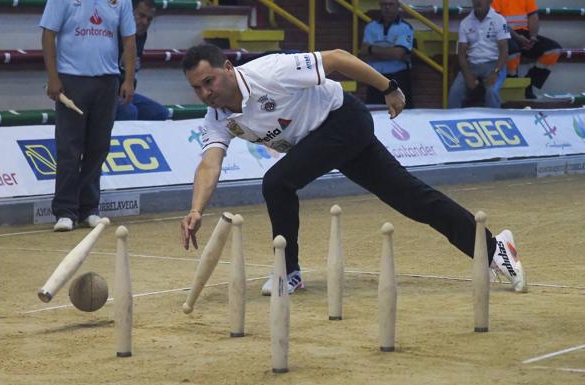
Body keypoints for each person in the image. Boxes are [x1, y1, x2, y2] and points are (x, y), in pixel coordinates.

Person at [179, 43, 526, 296]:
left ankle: (288, 271)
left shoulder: (269, 72)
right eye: (197, 88)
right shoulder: (218, 119)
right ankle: (495, 247)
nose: (206, 92)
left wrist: (388, 88)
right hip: (324, 140)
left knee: (277, 182)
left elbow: (338, 58)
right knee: (411, 198)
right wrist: (196, 209)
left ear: (227, 67)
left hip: (345, 120)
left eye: (209, 81)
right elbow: (210, 163)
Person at [40, 0, 136, 231]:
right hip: (71, 79)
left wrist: (129, 78)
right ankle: (65, 211)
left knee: (98, 147)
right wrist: (53, 77)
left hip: (107, 80)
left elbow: (129, 38)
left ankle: (89, 209)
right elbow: (47, 34)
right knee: (69, 148)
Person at [491, 0, 562, 99]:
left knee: (554, 50)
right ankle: (513, 83)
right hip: (502, 34)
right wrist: (517, 38)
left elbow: (533, 17)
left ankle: (528, 84)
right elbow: (498, 22)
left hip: (523, 33)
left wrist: (533, 37)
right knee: (512, 51)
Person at [448, 0, 509, 108]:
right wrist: (467, 75)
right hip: (472, 65)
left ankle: (495, 121)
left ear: (490, 1)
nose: (478, 1)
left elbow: (504, 51)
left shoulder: (499, 20)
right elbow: (461, 54)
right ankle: (452, 121)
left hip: (494, 64)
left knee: (491, 92)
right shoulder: (465, 23)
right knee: (454, 92)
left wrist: (495, 73)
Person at [115, 0, 169, 121]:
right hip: (107, 93)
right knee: (129, 112)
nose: (145, 22)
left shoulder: (141, 35)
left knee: (160, 113)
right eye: (141, 16)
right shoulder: (113, 32)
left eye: (149, 19)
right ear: (130, 13)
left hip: (124, 93)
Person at [361, 0, 414, 107]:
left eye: (391, 4)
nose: (387, 7)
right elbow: (364, 52)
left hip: (398, 78)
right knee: (374, 114)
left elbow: (398, 54)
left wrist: (372, 49)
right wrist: (390, 50)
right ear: (380, 6)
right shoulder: (370, 27)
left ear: (398, 6)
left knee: (401, 114)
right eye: (384, 4)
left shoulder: (405, 27)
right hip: (375, 78)